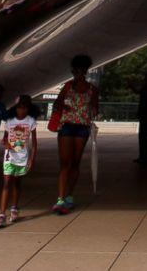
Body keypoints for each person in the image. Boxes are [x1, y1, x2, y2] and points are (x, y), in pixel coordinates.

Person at [51, 54, 98, 214]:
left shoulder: (92, 89)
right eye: (75, 71)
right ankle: (60, 198)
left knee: (75, 162)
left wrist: (90, 110)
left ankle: (69, 196)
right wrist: (64, 107)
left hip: (82, 127)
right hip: (67, 126)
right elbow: (57, 103)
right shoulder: (68, 86)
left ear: (84, 71)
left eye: (80, 71)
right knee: (65, 163)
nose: (77, 74)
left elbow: (95, 108)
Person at [0, 95, 38, 228]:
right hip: (9, 157)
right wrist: (6, 143)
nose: (21, 110)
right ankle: (1, 214)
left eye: (24, 108)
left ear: (28, 108)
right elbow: (5, 138)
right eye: (19, 107)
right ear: (15, 108)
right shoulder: (9, 121)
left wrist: (32, 159)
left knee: (17, 184)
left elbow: (34, 143)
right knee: (6, 183)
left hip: (22, 157)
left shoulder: (31, 121)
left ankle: (14, 207)